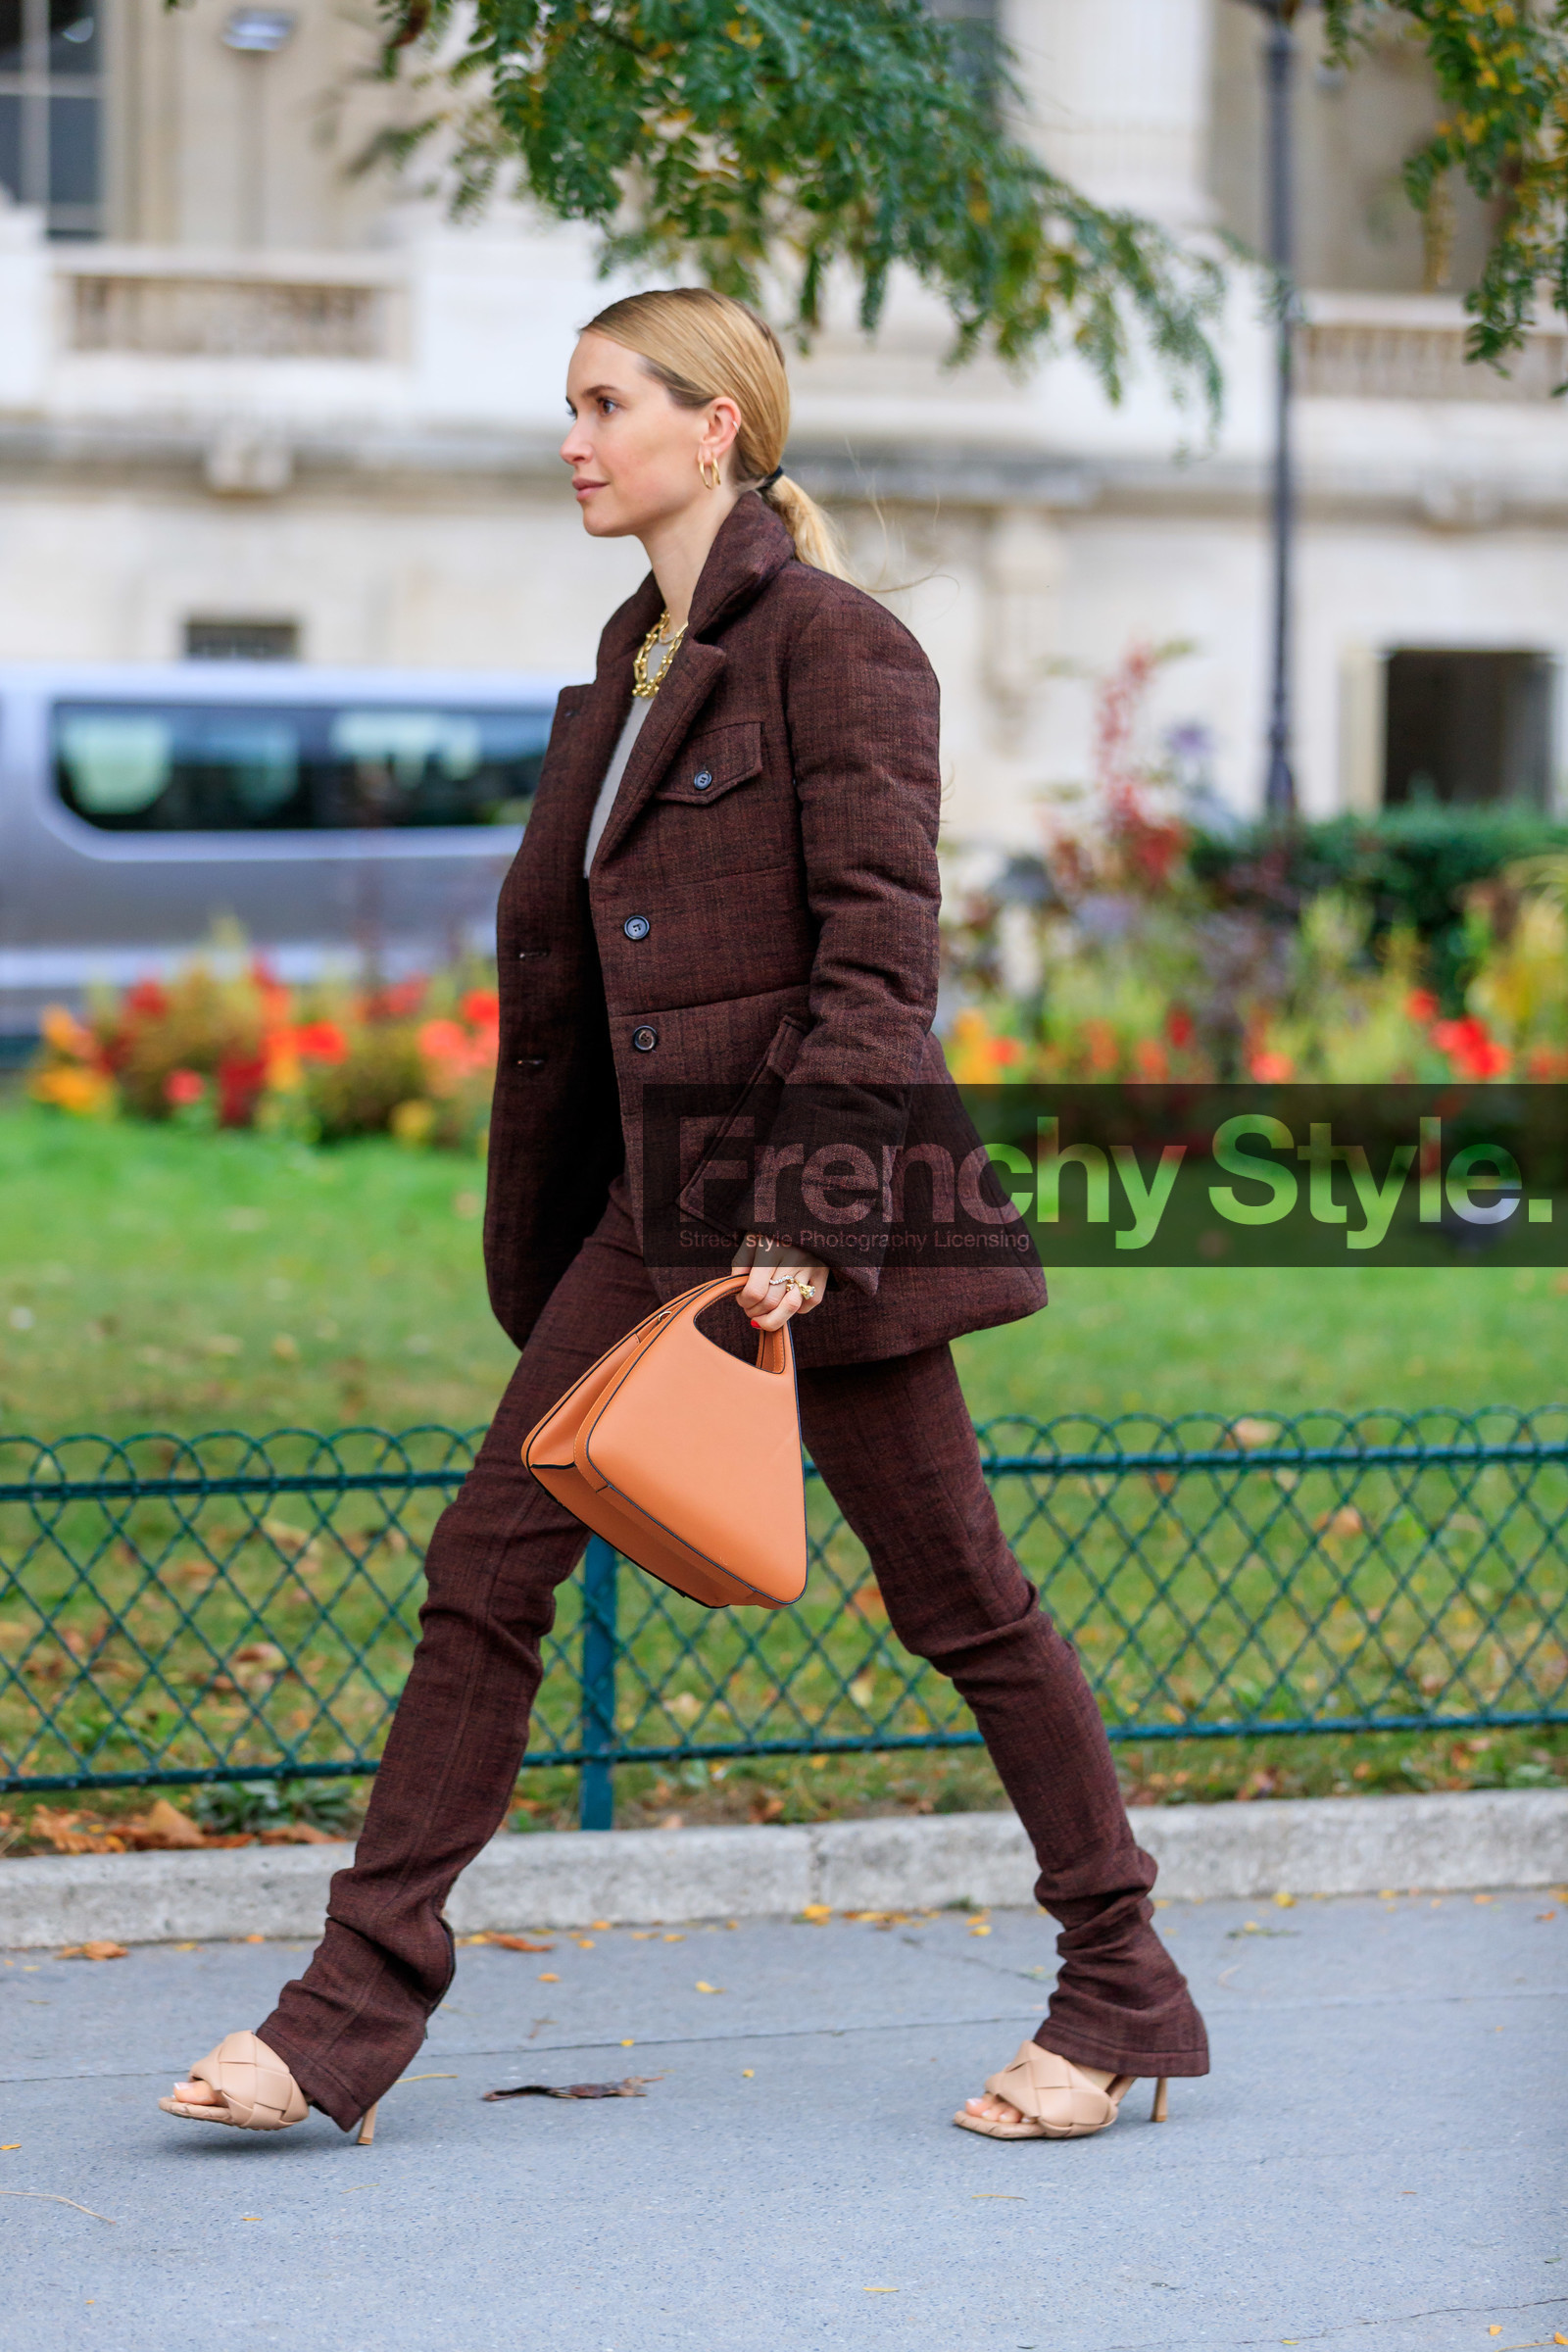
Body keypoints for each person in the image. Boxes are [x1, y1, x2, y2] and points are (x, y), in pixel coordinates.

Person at [159, 287, 1207, 2148]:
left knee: (961, 1600)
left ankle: (1120, 1982)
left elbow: (880, 953)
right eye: (569, 406)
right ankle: (344, 2017)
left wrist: (802, 1210)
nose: (573, 440)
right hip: (650, 1209)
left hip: (812, 1218)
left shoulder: (840, 647)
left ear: (714, 425)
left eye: (605, 403)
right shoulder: (638, 655)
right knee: (487, 1571)